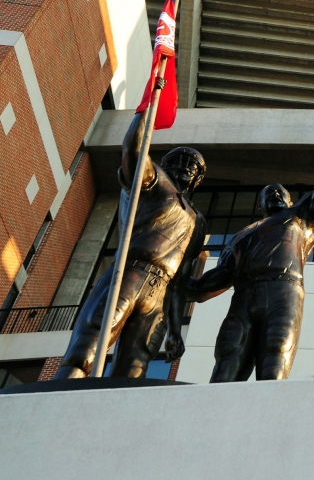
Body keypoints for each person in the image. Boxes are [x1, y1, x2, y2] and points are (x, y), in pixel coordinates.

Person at [189, 105, 314, 381]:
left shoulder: (300, 217)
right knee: (227, 364)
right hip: (244, 295)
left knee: (274, 363)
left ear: (290, 201)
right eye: (269, 192)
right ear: (260, 204)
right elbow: (216, 281)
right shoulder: (241, 236)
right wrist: (182, 283)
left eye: (281, 192)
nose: (275, 193)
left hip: (283, 291)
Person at [55, 113, 207, 379]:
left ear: (198, 179)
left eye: (195, 164)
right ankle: (55, 405)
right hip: (131, 272)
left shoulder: (198, 221)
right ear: (166, 163)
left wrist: (174, 329)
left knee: (133, 370)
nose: (188, 165)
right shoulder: (154, 181)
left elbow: (181, 280)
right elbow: (134, 151)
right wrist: (144, 112)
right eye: (180, 159)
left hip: (159, 292)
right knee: (90, 343)